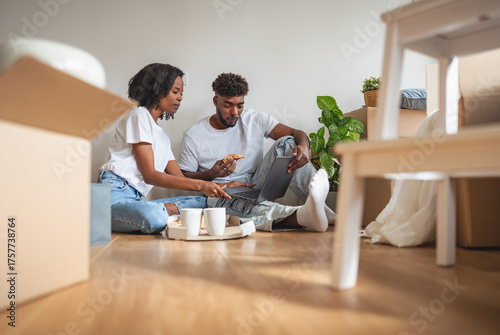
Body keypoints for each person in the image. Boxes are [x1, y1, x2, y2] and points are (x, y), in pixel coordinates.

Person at [178, 73, 336, 232]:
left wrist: (303, 146)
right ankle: (304, 215)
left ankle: (320, 207)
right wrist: (211, 173)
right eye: (228, 105)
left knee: (288, 142)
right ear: (215, 101)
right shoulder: (194, 135)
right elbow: (183, 178)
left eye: (240, 105)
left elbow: (296, 133)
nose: (235, 112)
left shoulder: (255, 119)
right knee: (236, 206)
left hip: (255, 182)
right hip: (219, 191)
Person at [98, 63, 230, 234]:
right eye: (175, 91)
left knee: (210, 202)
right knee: (154, 216)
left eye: (181, 93)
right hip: (114, 194)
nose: (180, 97)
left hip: (136, 199)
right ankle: (164, 213)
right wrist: (201, 185)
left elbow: (180, 179)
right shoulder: (139, 115)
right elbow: (150, 175)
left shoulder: (162, 137)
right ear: (156, 89)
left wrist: (219, 184)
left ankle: (165, 212)